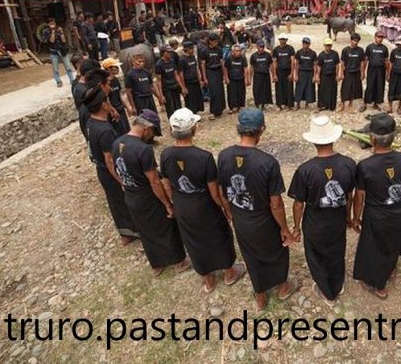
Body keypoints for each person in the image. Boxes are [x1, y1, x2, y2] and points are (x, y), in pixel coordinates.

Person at [217, 108, 299, 309]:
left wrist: (228, 209)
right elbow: (275, 203)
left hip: (241, 218)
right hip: (263, 219)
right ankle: (282, 287)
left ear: (239, 129)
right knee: (278, 252)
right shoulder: (267, 162)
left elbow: (222, 189)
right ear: (261, 129)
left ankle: (260, 295)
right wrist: (284, 228)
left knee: (250, 254)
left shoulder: (224, 156)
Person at [160, 108, 246, 293]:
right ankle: (229, 272)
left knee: (192, 241)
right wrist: (225, 208)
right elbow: (214, 191)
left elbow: (166, 184)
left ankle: (207, 280)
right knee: (219, 235)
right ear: (193, 129)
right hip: (204, 204)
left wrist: (172, 203)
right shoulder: (204, 157)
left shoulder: (165, 155)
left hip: (182, 203)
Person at [112, 110, 189, 275]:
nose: (151, 135)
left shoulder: (117, 143)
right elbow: (154, 181)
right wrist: (167, 204)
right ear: (146, 128)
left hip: (130, 194)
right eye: (152, 131)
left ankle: (156, 265)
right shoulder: (143, 149)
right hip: (146, 195)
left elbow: (115, 167)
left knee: (144, 230)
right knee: (165, 225)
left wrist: (123, 184)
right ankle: (179, 260)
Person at [289, 116, 356, 306]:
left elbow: (298, 203)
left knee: (316, 254)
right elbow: (350, 195)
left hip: (315, 221)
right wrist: (350, 217)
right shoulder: (349, 164)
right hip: (338, 218)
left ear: (312, 141)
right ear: (334, 138)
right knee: (337, 250)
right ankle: (337, 283)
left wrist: (296, 227)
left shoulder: (305, 170)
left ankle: (327, 291)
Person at [351, 113, 401, 299]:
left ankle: (378, 284)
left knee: (373, 246)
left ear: (372, 138)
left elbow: (359, 197)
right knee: (393, 241)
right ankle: (390, 269)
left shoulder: (366, 166)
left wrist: (355, 218)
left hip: (377, 214)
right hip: (399, 210)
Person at [82, 85, 139, 245]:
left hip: (101, 170)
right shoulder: (105, 130)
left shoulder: (91, 122)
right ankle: (132, 231)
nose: (109, 104)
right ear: (103, 105)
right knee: (122, 200)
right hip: (109, 171)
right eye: (107, 101)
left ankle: (125, 233)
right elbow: (109, 160)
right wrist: (121, 180)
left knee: (114, 201)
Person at [102, 58, 132, 135]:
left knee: (126, 130)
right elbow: (106, 99)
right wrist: (113, 111)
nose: (117, 68)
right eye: (115, 66)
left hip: (120, 109)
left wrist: (127, 107)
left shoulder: (115, 80)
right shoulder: (105, 83)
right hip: (113, 112)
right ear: (109, 69)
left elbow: (119, 94)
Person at [200, 33, 226, 120]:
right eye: (214, 42)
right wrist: (204, 77)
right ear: (210, 41)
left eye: (217, 42)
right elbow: (203, 65)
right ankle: (212, 111)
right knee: (213, 92)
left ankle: (220, 109)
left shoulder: (219, 50)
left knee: (220, 91)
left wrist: (224, 75)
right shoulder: (204, 51)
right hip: (210, 71)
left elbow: (222, 62)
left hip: (218, 71)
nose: (216, 43)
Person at [42, 18, 75, 87]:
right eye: (51, 23)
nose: (53, 25)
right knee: (55, 68)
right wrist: (53, 31)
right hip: (54, 52)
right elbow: (52, 40)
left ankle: (72, 80)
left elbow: (64, 41)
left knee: (68, 67)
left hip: (63, 51)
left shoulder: (59, 29)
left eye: (53, 23)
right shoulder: (46, 31)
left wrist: (61, 33)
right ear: (48, 24)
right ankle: (58, 81)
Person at [362, 31, 389, 111]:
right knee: (370, 86)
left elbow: (386, 61)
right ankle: (365, 103)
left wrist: (387, 73)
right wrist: (363, 71)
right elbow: (366, 60)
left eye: (381, 38)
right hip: (372, 69)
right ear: (375, 37)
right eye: (378, 37)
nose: (380, 39)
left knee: (379, 86)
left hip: (381, 70)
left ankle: (376, 103)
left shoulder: (384, 48)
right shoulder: (370, 47)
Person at [339, 33, 365, 112]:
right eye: (354, 41)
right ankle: (342, 105)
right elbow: (342, 62)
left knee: (353, 89)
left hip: (356, 72)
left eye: (357, 41)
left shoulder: (360, 50)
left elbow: (362, 62)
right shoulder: (345, 50)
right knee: (344, 89)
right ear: (351, 40)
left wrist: (362, 72)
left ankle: (350, 105)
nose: (355, 42)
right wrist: (342, 73)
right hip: (347, 72)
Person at [155, 46, 184, 118]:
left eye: (170, 52)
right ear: (163, 53)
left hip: (175, 86)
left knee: (178, 106)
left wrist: (182, 87)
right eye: (168, 52)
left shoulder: (172, 61)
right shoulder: (159, 64)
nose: (170, 53)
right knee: (170, 108)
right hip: (167, 89)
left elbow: (176, 75)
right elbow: (158, 81)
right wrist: (161, 95)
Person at [178, 41, 204, 114]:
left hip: (195, 81)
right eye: (191, 48)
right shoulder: (182, 60)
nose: (193, 50)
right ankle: (191, 114)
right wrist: (183, 87)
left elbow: (196, 69)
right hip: (188, 83)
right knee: (190, 101)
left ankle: (196, 113)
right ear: (187, 49)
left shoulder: (193, 57)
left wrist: (200, 80)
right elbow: (181, 74)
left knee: (197, 98)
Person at [315, 38, 339, 112]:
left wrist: (337, 74)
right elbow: (319, 66)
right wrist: (317, 76)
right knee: (322, 91)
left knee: (333, 91)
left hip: (332, 75)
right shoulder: (321, 55)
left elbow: (337, 65)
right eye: (327, 45)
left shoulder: (335, 54)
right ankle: (321, 106)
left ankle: (331, 106)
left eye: (330, 45)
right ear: (324, 46)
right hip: (324, 75)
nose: (328, 47)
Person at [272, 34, 295, 110]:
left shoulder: (290, 49)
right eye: (281, 39)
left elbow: (292, 61)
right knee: (279, 88)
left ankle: (289, 104)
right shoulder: (276, 50)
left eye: (284, 39)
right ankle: (279, 104)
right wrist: (274, 74)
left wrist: (292, 73)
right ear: (279, 40)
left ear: (286, 40)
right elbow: (274, 62)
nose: (282, 40)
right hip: (279, 71)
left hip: (288, 70)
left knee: (289, 88)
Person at [293, 36, 317, 110]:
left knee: (309, 88)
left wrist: (314, 76)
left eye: (307, 43)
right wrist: (296, 74)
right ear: (302, 44)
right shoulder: (299, 52)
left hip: (310, 72)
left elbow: (315, 65)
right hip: (301, 72)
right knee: (299, 88)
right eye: (304, 43)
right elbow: (296, 64)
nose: (305, 45)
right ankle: (297, 104)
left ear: (309, 44)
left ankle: (307, 104)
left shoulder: (313, 53)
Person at [225, 44, 249, 113]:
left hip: (240, 78)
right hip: (232, 79)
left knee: (241, 93)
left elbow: (245, 68)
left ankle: (241, 106)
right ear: (232, 52)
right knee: (232, 93)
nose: (238, 52)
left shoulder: (243, 58)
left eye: (239, 51)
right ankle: (233, 107)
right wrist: (226, 78)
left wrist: (246, 79)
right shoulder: (229, 58)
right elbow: (225, 68)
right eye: (236, 51)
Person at [250, 40, 273, 110]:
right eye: (260, 47)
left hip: (266, 74)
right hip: (257, 75)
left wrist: (273, 75)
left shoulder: (267, 55)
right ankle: (257, 103)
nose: (262, 48)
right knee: (257, 89)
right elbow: (252, 67)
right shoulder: (253, 56)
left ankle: (263, 104)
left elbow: (271, 65)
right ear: (257, 47)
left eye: (263, 47)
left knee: (265, 89)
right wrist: (250, 77)